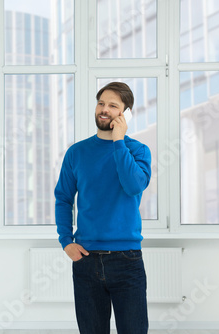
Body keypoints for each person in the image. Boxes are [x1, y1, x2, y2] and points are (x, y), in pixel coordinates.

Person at [54, 82, 151, 334]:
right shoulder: (76, 152)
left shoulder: (138, 151)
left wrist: (118, 142)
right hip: (86, 260)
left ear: (125, 113)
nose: (104, 110)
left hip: (127, 260)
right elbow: (63, 198)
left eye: (112, 105)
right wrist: (66, 241)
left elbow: (132, 186)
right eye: (101, 103)